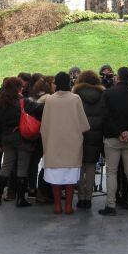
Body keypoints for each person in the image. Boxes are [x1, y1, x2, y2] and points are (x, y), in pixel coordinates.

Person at [98, 67, 128, 216]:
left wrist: (118, 132)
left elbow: (105, 116)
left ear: (118, 78)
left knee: (111, 172)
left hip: (113, 138)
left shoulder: (108, 93)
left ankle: (111, 205)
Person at [41, 72, 91, 214]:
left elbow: (44, 125)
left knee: (55, 176)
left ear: (56, 83)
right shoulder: (75, 99)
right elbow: (84, 125)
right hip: (71, 144)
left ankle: (57, 206)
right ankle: (68, 206)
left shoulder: (50, 100)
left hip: (54, 143)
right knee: (70, 176)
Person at [0, 77, 44, 207]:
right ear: (18, 88)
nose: (23, 89)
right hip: (22, 139)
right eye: (21, 87)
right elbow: (40, 109)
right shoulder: (22, 102)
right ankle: (21, 199)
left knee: (6, 167)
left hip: (7, 139)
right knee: (22, 167)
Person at [72, 70, 105, 209]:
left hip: (79, 134)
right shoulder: (103, 94)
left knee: (79, 166)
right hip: (96, 134)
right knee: (91, 166)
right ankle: (88, 198)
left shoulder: (75, 94)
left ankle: (80, 197)